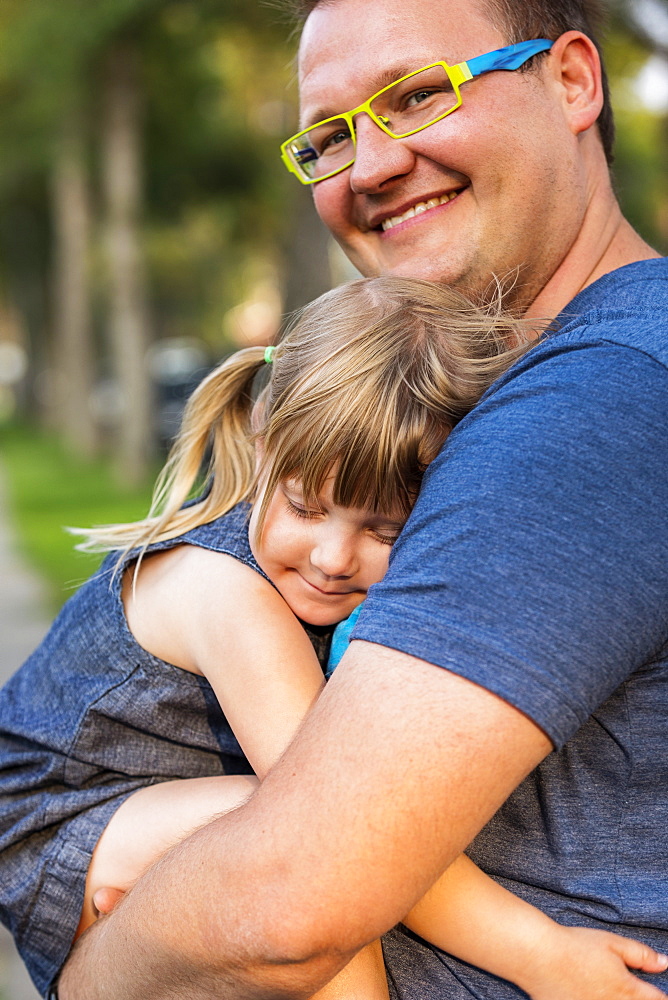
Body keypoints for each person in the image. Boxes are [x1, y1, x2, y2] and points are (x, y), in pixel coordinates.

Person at [51, 0, 668, 997]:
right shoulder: (513, 395)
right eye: (328, 137)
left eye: (419, 94)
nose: (370, 164)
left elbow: (285, 900)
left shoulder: (593, 396)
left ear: (570, 81)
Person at [8, 275, 655, 1000]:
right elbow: (348, 831)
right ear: (261, 447)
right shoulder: (225, 595)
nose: (333, 557)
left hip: (146, 809)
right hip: (59, 823)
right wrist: (541, 954)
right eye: (306, 506)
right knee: (323, 847)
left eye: (384, 529)